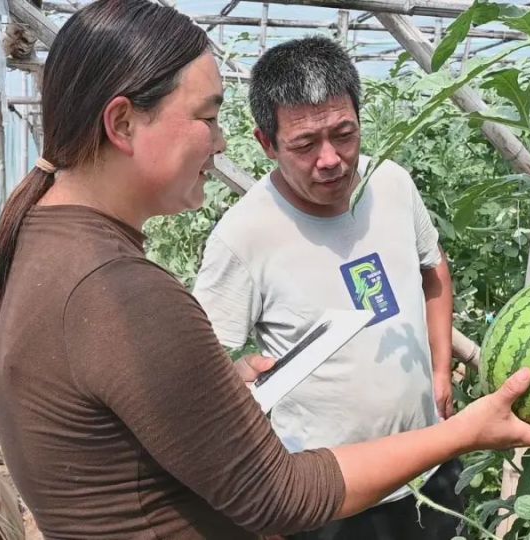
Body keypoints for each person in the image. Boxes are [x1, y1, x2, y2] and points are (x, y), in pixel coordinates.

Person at [0, 1, 530, 539]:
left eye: (344, 133)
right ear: (123, 123)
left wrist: (211, 388)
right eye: (206, 117)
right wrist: (461, 434)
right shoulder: (117, 289)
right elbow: (278, 496)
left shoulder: (50, 245)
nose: (219, 142)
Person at [192, 37, 462, 539]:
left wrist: (441, 370)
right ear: (266, 143)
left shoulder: (392, 184)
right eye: (304, 145)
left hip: (430, 463)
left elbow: (434, 272)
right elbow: (201, 376)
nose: (332, 159)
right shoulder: (243, 237)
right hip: (329, 498)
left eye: (345, 134)